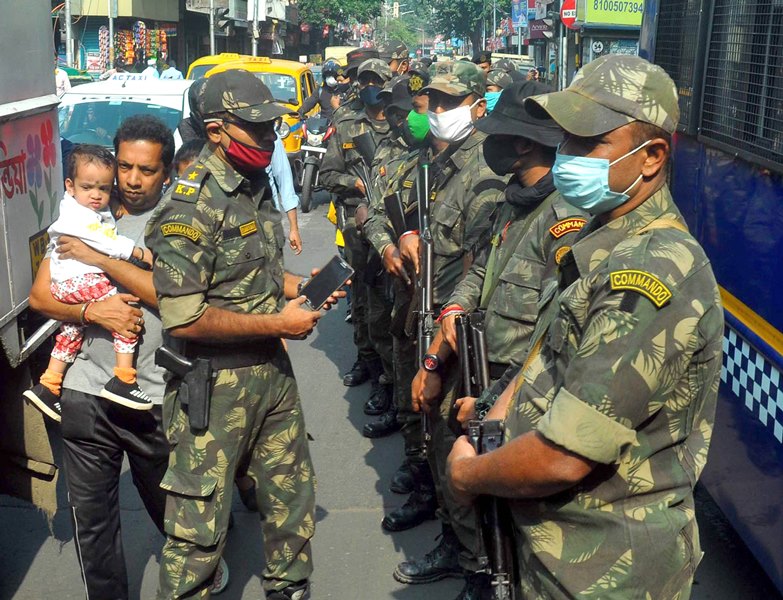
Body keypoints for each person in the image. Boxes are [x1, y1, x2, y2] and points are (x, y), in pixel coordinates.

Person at [446, 55, 724, 599]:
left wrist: (468, 475)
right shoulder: (603, 237)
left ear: (651, 158)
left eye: (587, 144)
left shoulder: (647, 271)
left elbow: (564, 455)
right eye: (565, 141)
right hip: (558, 553)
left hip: (601, 571)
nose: (566, 158)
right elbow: (548, 355)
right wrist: (491, 414)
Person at [146, 69, 331, 600]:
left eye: (272, 127)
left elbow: (254, 274)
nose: (270, 138)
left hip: (271, 376)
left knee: (290, 498)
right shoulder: (190, 204)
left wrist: (301, 287)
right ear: (217, 129)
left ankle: (289, 589)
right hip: (214, 385)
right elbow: (184, 317)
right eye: (258, 129)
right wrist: (280, 322)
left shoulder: (250, 186)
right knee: (198, 530)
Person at [405, 80, 586, 598]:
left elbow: (559, 332)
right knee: (459, 476)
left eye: (499, 136)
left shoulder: (566, 219)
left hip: (518, 391)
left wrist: (492, 402)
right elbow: (479, 271)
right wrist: (450, 324)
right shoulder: (513, 205)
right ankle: (470, 561)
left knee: (510, 510)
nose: (489, 146)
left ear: (525, 144)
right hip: (477, 370)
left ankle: (488, 573)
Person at [28, 114, 175, 599]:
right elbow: (41, 298)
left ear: (165, 172)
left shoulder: (176, 221)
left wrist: (100, 259)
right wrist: (94, 309)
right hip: (84, 392)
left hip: (150, 393)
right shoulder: (83, 211)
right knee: (92, 525)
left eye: (146, 170)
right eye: (125, 169)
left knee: (168, 505)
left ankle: (201, 555)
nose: (132, 181)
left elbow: (173, 294)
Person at [23, 145, 154, 421]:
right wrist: (136, 252)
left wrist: (111, 204)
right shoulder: (78, 216)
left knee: (71, 332)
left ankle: (49, 383)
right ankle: (125, 379)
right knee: (123, 314)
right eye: (88, 187)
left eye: (104, 189)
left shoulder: (85, 207)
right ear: (70, 186)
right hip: (78, 280)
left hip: (69, 283)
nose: (96, 195)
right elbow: (103, 241)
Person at [320, 56, 391, 396]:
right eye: (364, 82)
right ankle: (368, 360)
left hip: (394, 225)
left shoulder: (400, 123)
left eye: (376, 81)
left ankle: (393, 371)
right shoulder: (347, 123)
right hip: (355, 225)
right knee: (361, 296)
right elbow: (327, 175)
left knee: (393, 303)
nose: (369, 88)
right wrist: (355, 184)